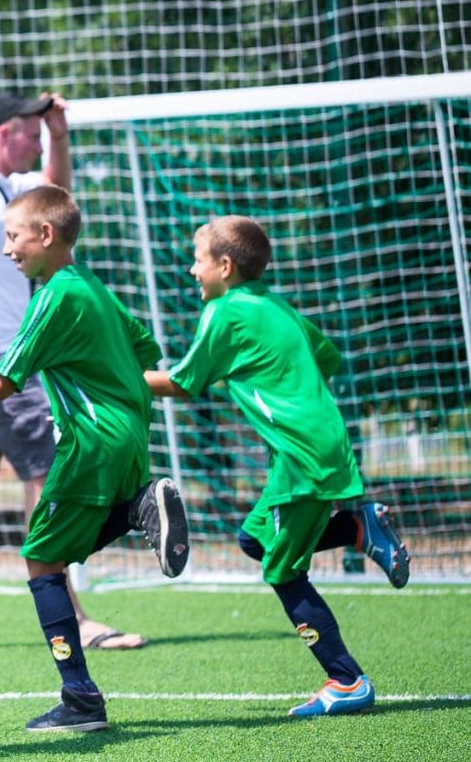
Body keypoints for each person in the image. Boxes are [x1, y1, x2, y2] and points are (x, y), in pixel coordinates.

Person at [0, 186, 189, 734]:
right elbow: (144, 353)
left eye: (13, 237)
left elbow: (1, 384)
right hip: (129, 440)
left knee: (40, 559)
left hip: (89, 445)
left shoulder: (50, 297)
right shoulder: (93, 286)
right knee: (59, 551)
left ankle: (81, 700)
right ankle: (138, 506)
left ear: (46, 235)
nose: (6, 251)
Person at [146, 216, 409, 718]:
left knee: (283, 569)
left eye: (198, 260)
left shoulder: (223, 312)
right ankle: (357, 528)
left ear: (224, 267)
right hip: (315, 447)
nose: (191, 270)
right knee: (253, 539)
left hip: (300, 457)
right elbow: (326, 357)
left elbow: (183, 382)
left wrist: (119, 380)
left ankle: (346, 680)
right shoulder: (274, 304)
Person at [0, 90, 141, 651]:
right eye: (33, 135)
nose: (37, 145)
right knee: (50, 471)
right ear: (7, 132)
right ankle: (75, 616)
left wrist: (59, 134)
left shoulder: (4, 191)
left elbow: (54, 201)